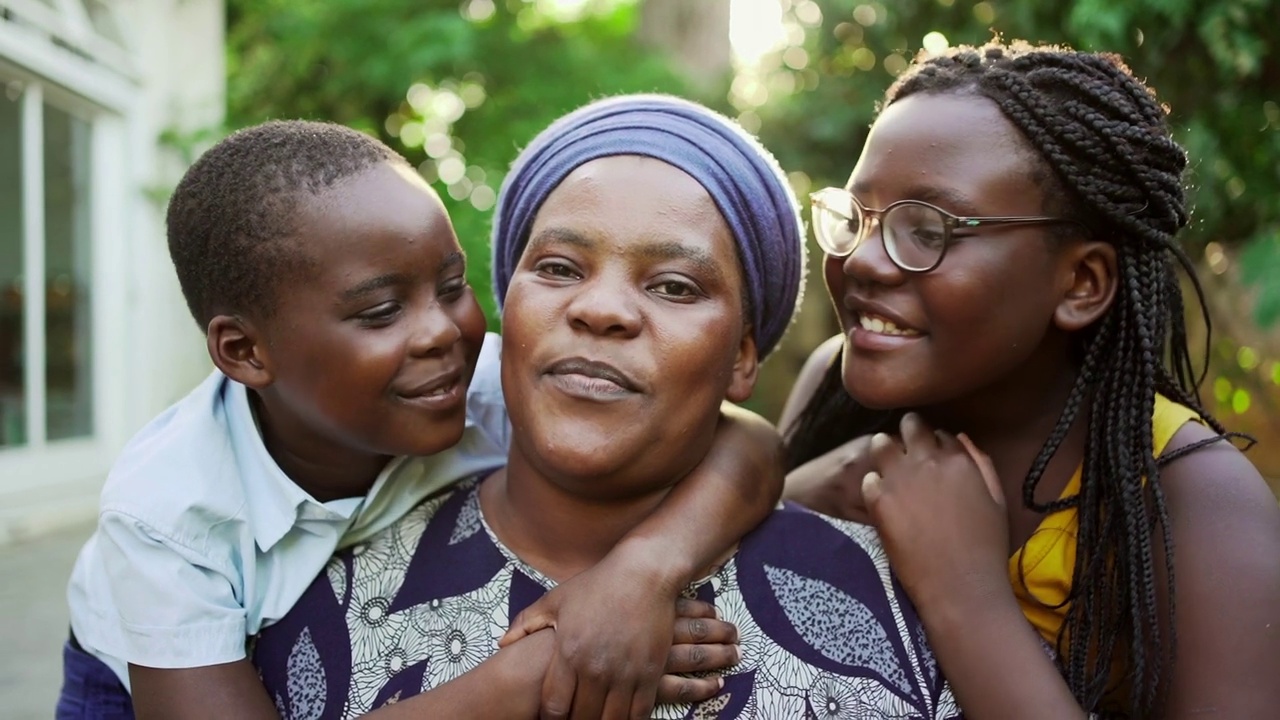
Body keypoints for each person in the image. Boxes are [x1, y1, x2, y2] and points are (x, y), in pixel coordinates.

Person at [250, 93, 962, 720]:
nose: (600, 310)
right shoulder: (306, 607)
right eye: (559, 269)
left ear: (743, 357)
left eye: (675, 286)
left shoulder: (897, 603)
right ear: (509, 312)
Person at [59, 120, 788, 719]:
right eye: (380, 312)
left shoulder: (474, 382)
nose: (443, 332)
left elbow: (745, 438)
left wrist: (642, 572)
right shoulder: (170, 516)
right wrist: (534, 675)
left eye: (450, 286)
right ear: (247, 351)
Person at [782, 39, 1280, 718]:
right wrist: (784, 497)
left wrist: (965, 595)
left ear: (1081, 282)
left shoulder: (1194, 500)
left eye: (928, 229)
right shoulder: (837, 391)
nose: (864, 259)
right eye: (858, 216)